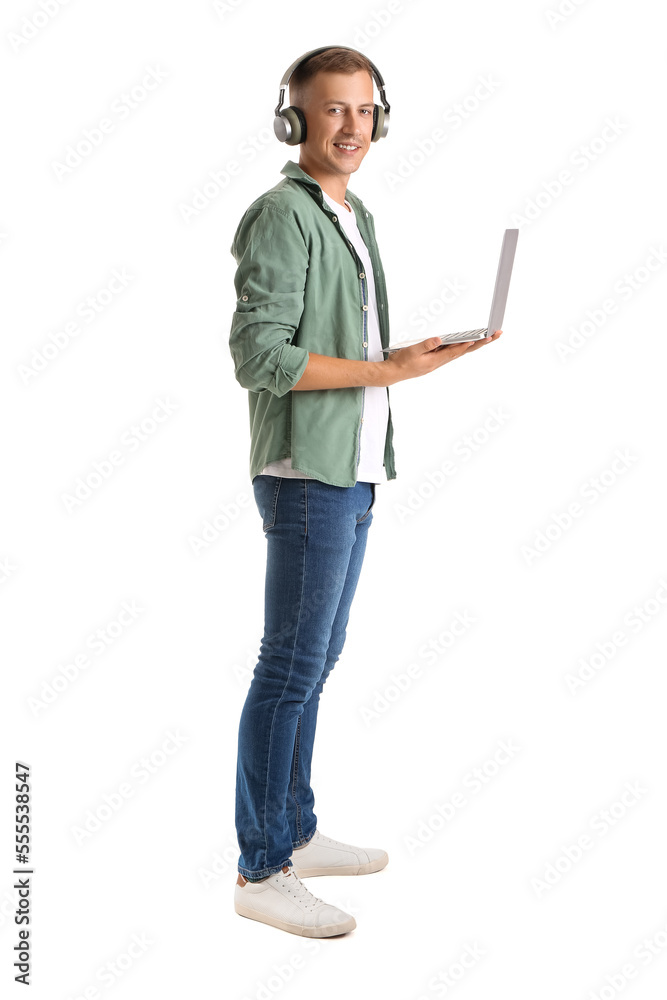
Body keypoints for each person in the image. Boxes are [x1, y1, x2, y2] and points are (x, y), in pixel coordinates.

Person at [228, 45, 502, 939]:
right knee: (288, 669)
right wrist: (388, 368)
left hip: (354, 466)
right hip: (310, 472)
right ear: (294, 119)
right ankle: (261, 867)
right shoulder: (281, 215)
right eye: (331, 110)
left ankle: (293, 831)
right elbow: (259, 358)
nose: (351, 127)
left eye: (363, 110)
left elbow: (351, 349)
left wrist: (406, 362)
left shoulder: (353, 214)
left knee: (317, 661)